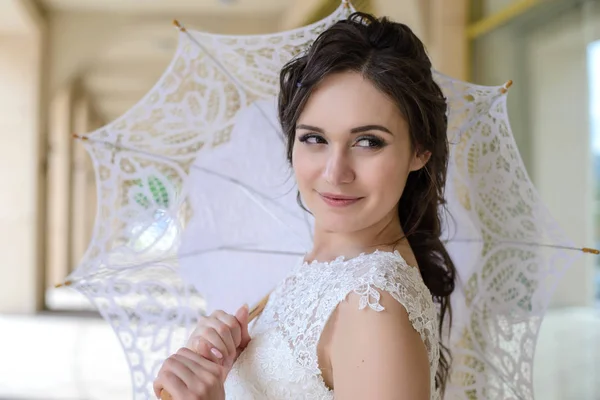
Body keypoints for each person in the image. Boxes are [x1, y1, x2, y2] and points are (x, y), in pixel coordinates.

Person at [153, 11, 456, 400]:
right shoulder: (323, 267)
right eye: (314, 138)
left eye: (368, 142)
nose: (335, 172)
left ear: (420, 150)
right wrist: (221, 366)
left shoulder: (372, 308)